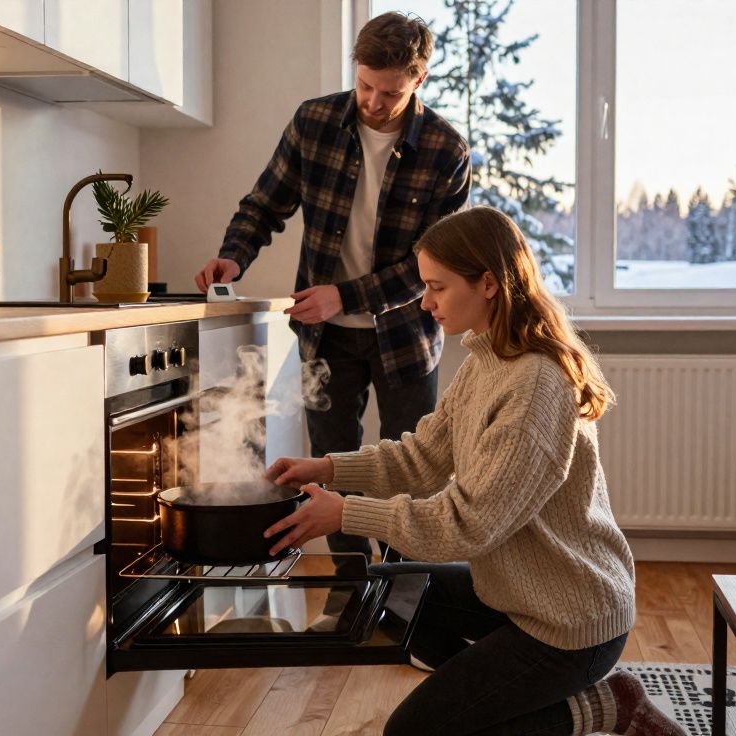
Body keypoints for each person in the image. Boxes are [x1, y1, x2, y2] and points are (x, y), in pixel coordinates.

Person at [262, 207, 686, 735]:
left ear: (488, 283)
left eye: (437, 287)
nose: (425, 302)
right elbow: (421, 458)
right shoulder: (488, 360)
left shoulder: (534, 386)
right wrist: (326, 466)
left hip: (569, 623)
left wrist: (346, 514)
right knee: (385, 596)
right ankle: (491, 695)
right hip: (521, 592)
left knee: (411, 733)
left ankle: (606, 705)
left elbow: (467, 525)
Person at [194, 12, 470, 570]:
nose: (372, 101)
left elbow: (431, 265)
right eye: (365, 84)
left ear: (419, 79)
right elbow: (264, 204)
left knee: (411, 472)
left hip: (406, 337)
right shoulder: (314, 121)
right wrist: (234, 255)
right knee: (331, 466)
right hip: (326, 337)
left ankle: (403, 595)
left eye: (389, 92)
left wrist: (345, 296)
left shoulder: (446, 151)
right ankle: (352, 589)